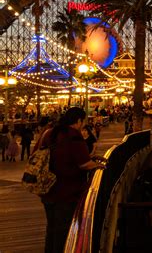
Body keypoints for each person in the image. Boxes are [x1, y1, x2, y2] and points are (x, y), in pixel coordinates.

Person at [40, 107, 105, 253]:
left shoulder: (49, 133)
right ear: (79, 121)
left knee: (51, 227)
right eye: (83, 121)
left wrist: (90, 158)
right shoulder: (73, 135)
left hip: (47, 188)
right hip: (67, 192)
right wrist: (98, 165)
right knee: (63, 230)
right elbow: (83, 164)